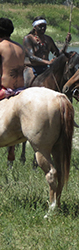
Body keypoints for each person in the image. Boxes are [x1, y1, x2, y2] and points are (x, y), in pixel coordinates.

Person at [0, 18, 26, 164]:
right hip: (21, 88)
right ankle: (11, 149)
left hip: (6, 90)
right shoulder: (20, 47)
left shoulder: (1, 46)